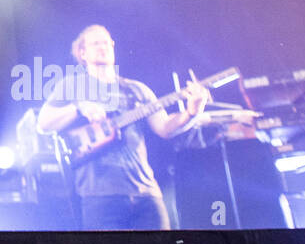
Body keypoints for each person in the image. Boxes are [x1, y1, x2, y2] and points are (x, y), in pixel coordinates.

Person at [36, 24, 207, 230]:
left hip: (146, 194)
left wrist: (192, 112)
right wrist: (79, 107)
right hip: (99, 197)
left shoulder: (137, 89)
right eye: (96, 43)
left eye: (107, 42)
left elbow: (165, 128)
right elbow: (43, 124)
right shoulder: (72, 86)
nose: (104, 47)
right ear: (82, 52)